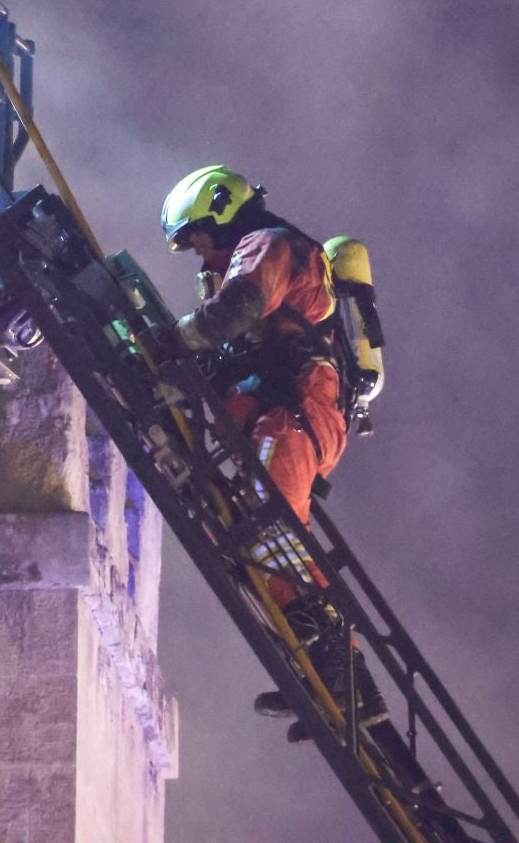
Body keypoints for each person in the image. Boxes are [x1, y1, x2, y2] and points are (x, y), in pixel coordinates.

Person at [160, 165, 401, 754]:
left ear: (222, 210)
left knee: (273, 535)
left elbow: (233, 311)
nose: (199, 251)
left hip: (296, 411)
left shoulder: (266, 245)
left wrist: (165, 343)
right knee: (268, 543)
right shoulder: (265, 256)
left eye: (197, 235)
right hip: (290, 411)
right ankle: (322, 681)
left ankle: (347, 685)